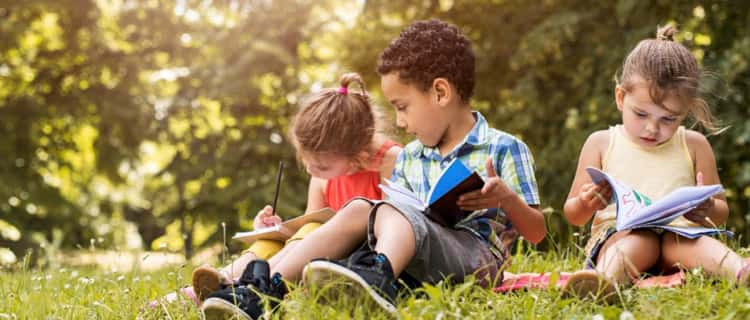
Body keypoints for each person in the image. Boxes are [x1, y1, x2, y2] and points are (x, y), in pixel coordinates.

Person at [296, 19, 547, 313]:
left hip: (477, 259)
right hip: (423, 254)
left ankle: (378, 279)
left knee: (393, 215)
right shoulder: (410, 157)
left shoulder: (504, 148)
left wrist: (507, 199)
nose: (400, 122)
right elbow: (389, 222)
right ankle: (259, 282)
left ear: (440, 92)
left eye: (402, 107)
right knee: (360, 209)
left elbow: (537, 233)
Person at [151, 72, 401, 311]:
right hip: (316, 252)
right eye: (306, 162)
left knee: (309, 233)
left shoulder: (389, 162)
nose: (313, 170)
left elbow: (397, 228)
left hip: (356, 260)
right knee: (270, 239)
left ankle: (244, 288)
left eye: (322, 165)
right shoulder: (323, 177)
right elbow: (310, 226)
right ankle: (221, 281)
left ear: (358, 154)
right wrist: (277, 229)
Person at [561, 25, 749, 303]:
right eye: (640, 114)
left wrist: (708, 209)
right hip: (621, 236)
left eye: (669, 119)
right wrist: (587, 203)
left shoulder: (695, 144)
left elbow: (720, 211)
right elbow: (572, 214)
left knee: (692, 242)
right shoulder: (601, 142)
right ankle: (603, 281)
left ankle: (741, 271)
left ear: (685, 112)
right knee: (640, 241)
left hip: (682, 236)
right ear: (620, 97)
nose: (652, 128)